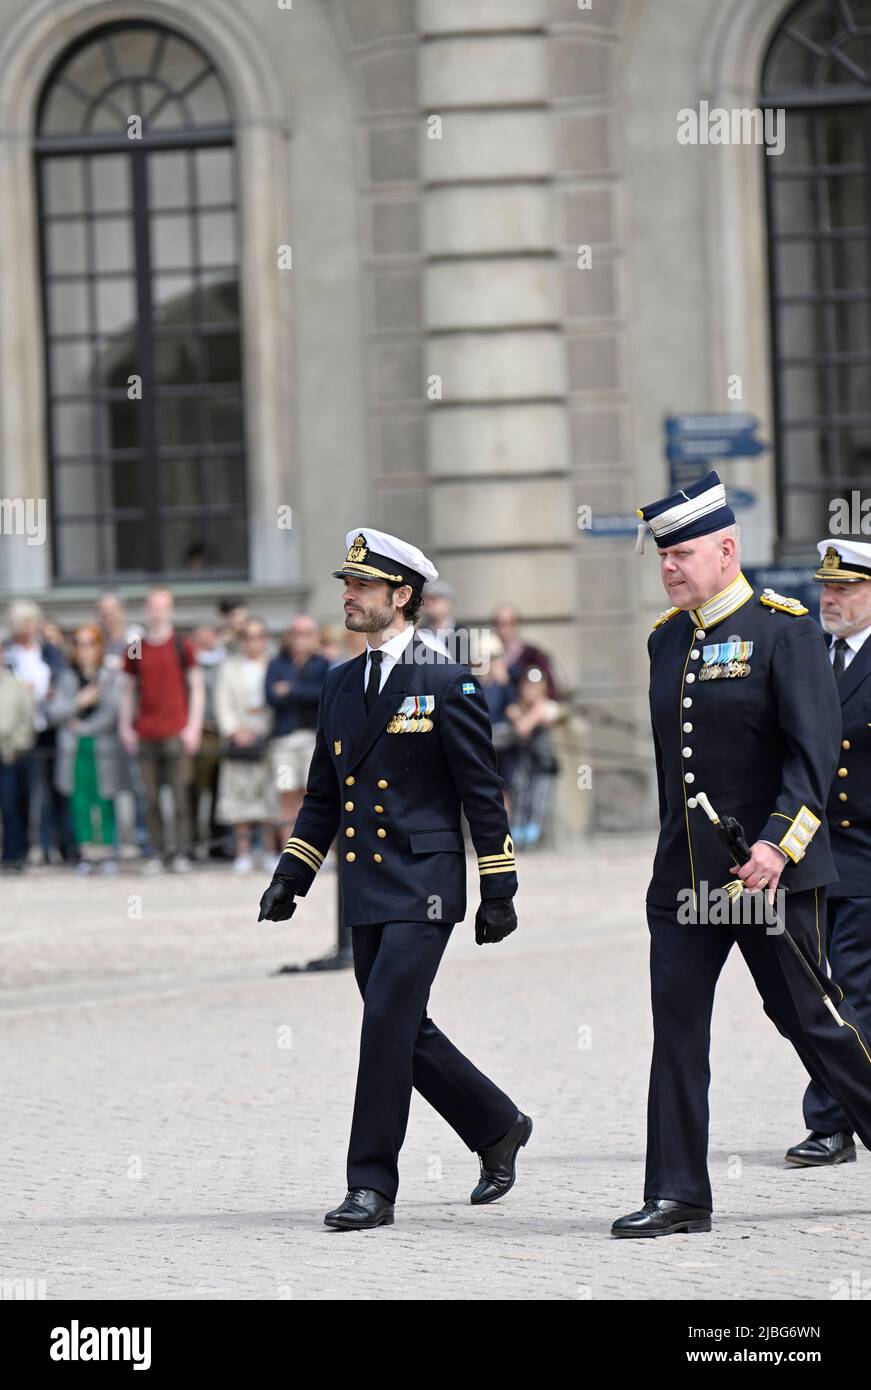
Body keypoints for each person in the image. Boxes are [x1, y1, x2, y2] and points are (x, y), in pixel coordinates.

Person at [612, 470, 871, 1239]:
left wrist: (776, 843)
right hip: (684, 881)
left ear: (726, 550)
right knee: (678, 1035)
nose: (668, 568)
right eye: (661, 557)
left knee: (811, 1023)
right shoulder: (664, 641)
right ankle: (679, 1193)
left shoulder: (784, 629)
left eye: (682, 554)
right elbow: (674, 770)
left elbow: (811, 756)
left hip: (767, 875)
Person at [258, 527, 531, 1230]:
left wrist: (498, 886)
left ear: (400, 597)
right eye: (346, 584)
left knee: (383, 1024)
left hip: (427, 884)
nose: (347, 595)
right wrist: (293, 873)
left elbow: (481, 790)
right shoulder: (340, 682)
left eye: (361, 586)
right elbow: (324, 794)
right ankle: (497, 1125)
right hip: (365, 887)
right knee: (405, 1028)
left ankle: (370, 1184)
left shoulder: (444, 678)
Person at [784, 539, 871, 1167]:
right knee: (816, 988)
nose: (830, 598)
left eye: (845, 588)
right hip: (813, 852)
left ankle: (832, 1119)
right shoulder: (810, 652)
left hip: (867, 853)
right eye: (826, 587)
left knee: (852, 984)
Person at [119, 588, 204, 874]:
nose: (157, 611)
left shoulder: (182, 644)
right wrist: (125, 727)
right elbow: (128, 690)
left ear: (170, 609)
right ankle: (157, 851)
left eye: (163, 606)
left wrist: (193, 726)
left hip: (176, 730)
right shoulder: (136, 646)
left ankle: (181, 851)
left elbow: (197, 687)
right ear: (146, 608)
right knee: (150, 797)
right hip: (146, 731)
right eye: (153, 606)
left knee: (180, 796)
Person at [47, 625, 126, 874]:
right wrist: (80, 701)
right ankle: (86, 852)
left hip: (101, 746)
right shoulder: (66, 677)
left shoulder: (110, 677)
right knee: (79, 800)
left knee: (104, 799)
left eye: (91, 643)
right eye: (80, 644)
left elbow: (111, 713)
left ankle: (106, 851)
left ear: (100, 646)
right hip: (74, 750)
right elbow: (54, 713)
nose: (86, 650)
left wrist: (80, 726)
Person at [214, 617, 279, 874]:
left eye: (258, 636)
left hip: (266, 737)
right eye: (248, 637)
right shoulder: (229, 667)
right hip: (238, 738)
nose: (253, 642)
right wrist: (233, 730)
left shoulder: (274, 665)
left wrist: (263, 731)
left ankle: (268, 850)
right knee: (238, 796)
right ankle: (242, 853)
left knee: (268, 796)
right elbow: (223, 702)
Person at [265, 616, 329, 851]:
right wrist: (303, 694)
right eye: (296, 632)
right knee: (286, 794)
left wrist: (291, 690)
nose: (300, 638)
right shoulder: (277, 664)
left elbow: (322, 695)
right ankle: (287, 852)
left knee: (313, 796)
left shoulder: (323, 663)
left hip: (313, 740)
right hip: (284, 742)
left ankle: (317, 852)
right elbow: (271, 696)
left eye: (305, 633)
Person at [505, 666, 561, 847]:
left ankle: (533, 836)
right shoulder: (514, 707)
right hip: (521, 764)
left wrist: (533, 711)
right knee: (519, 796)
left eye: (536, 686)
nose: (531, 690)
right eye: (528, 685)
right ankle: (519, 835)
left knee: (538, 801)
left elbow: (525, 726)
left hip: (543, 766)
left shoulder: (549, 707)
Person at [0, 643, 35, 871]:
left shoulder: (15, 684)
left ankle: (15, 855)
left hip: (10, 755)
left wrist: (14, 747)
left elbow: (27, 719)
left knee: (12, 806)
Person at [491, 603, 560, 700]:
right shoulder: (488, 658)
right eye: (499, 624)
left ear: (516, 625)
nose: (503, 629)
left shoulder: (532, 656)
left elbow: (551, 693)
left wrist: (506, 683)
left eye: (509, 623)